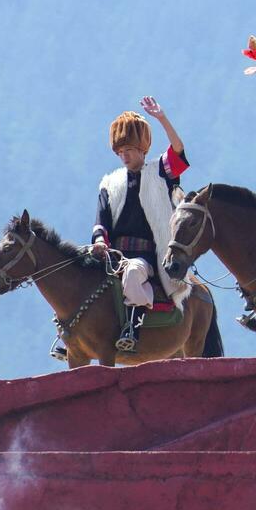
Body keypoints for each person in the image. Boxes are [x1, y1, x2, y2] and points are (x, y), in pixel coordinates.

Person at [87, 99, 190, 357]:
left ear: (142, 148)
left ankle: (132, 327)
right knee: (77, 277)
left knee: (133, 273)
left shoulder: (160, 171)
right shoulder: (109, 183)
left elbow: (178, 149)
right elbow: (101, 220)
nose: (124, 155)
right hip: (112, 255)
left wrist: (162, 118)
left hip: (146, 257)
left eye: (129, 149)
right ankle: (72, 338)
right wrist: (99, 240)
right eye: (120, 151)